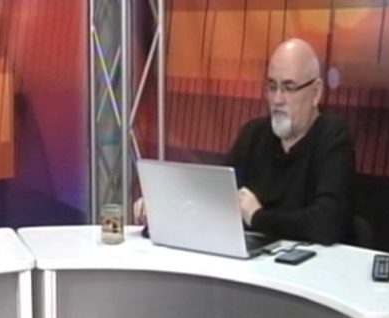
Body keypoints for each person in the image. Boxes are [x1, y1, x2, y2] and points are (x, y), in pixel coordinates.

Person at [135, 38, 354, 245]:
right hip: (255, 263)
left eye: (288, 88)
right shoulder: (254, 134)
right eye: (272, 86)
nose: (277, 99)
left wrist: (258, 217)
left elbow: (327, 223)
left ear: (315, 92)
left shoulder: (333, 137)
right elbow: (213, 199)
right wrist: (163, 208)